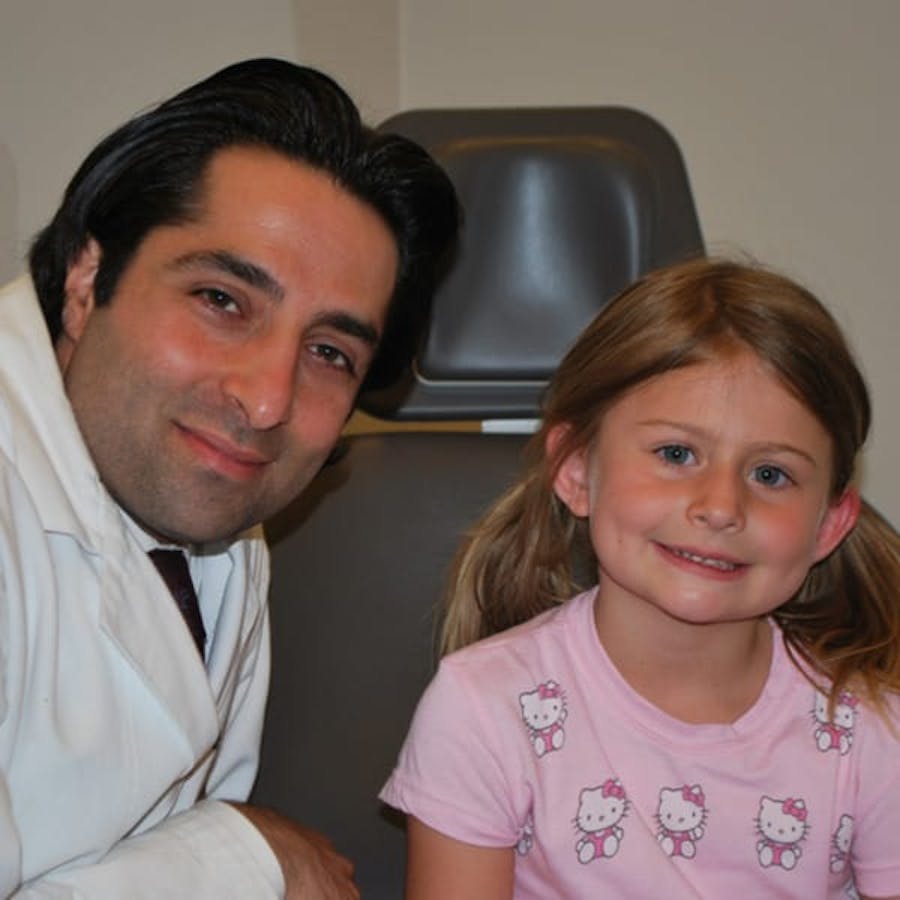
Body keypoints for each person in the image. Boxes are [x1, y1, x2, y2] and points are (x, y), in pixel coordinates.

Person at [0, 58, 457, 898]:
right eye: (221, 300)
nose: (265, 400)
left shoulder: (192, 494)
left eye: (329, 352)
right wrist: (240, 859)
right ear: (86, 279)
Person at [380, 258, 900, 899]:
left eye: (771, 475)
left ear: (830, 522)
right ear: (575, 471)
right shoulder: (483, 710)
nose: (720, 506)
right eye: (676, 454)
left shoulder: (876, 735)